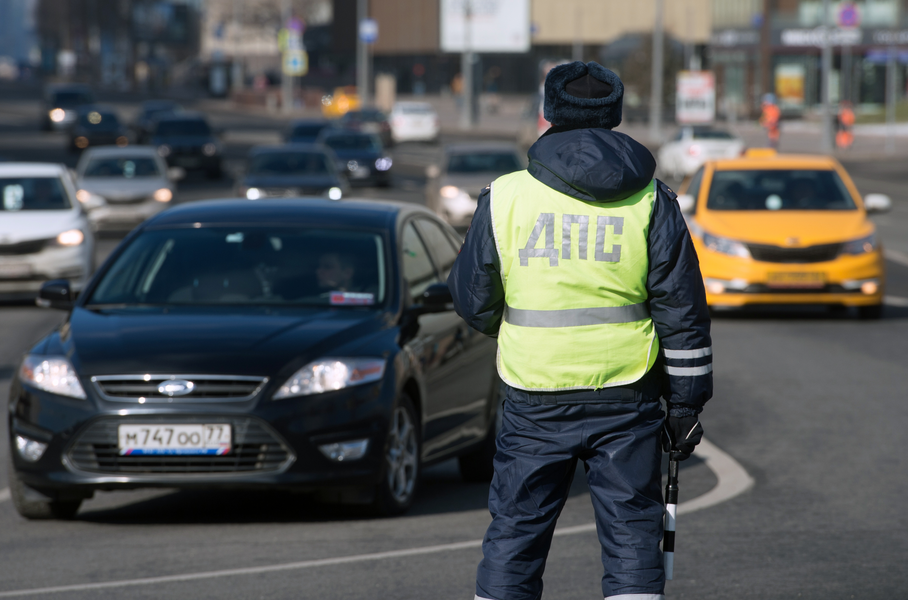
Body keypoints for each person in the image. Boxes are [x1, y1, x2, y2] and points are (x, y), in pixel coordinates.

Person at [447, 61, 713, 600]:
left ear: (547, 114)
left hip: (534, 392)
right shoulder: (651, 200)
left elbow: (473, 300)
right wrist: (686, 405)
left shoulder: (506, 197)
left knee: (516, 530)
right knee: (633, 532)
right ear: (614, 114)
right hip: (627, 392)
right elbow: (681, 311)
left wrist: (522, 332)